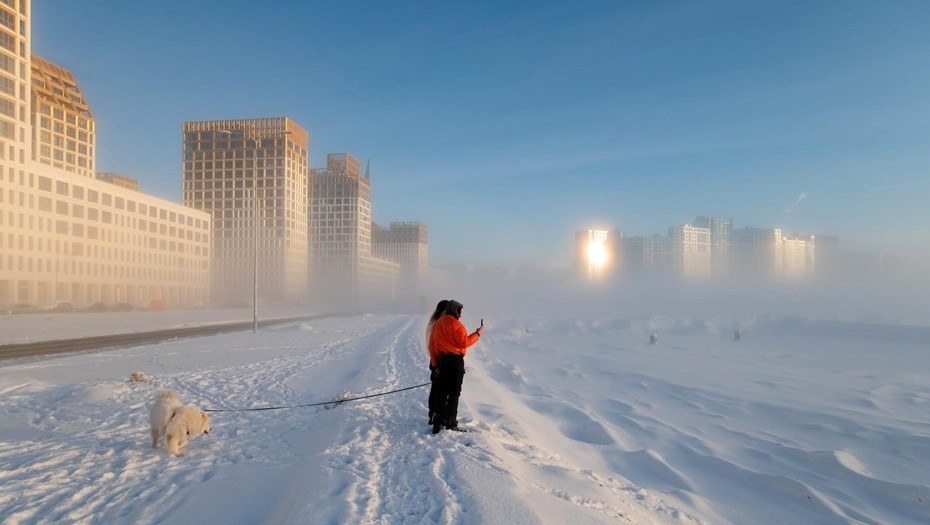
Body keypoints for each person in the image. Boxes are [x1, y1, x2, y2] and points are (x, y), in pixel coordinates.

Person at [428, 299, 484, 434]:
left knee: (442, 391)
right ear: (455, 310)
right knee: (454, 392)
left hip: (442, 361)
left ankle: (437, 421)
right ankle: (451, 422)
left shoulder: (437, 324)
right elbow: (464, 343)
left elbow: (432, 346)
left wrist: (436, 365)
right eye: (461, 311)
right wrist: (478, 334)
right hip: (455, 361)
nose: (461, 314)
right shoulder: (456, 325)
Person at [426, 299, 449, 425]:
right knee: (438, 390)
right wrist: (436, 365)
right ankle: (436, 415)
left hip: (435, 360)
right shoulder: (439, 324)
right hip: (439, 360)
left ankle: (433, 414)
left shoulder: (434, 322)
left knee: (436, 389)